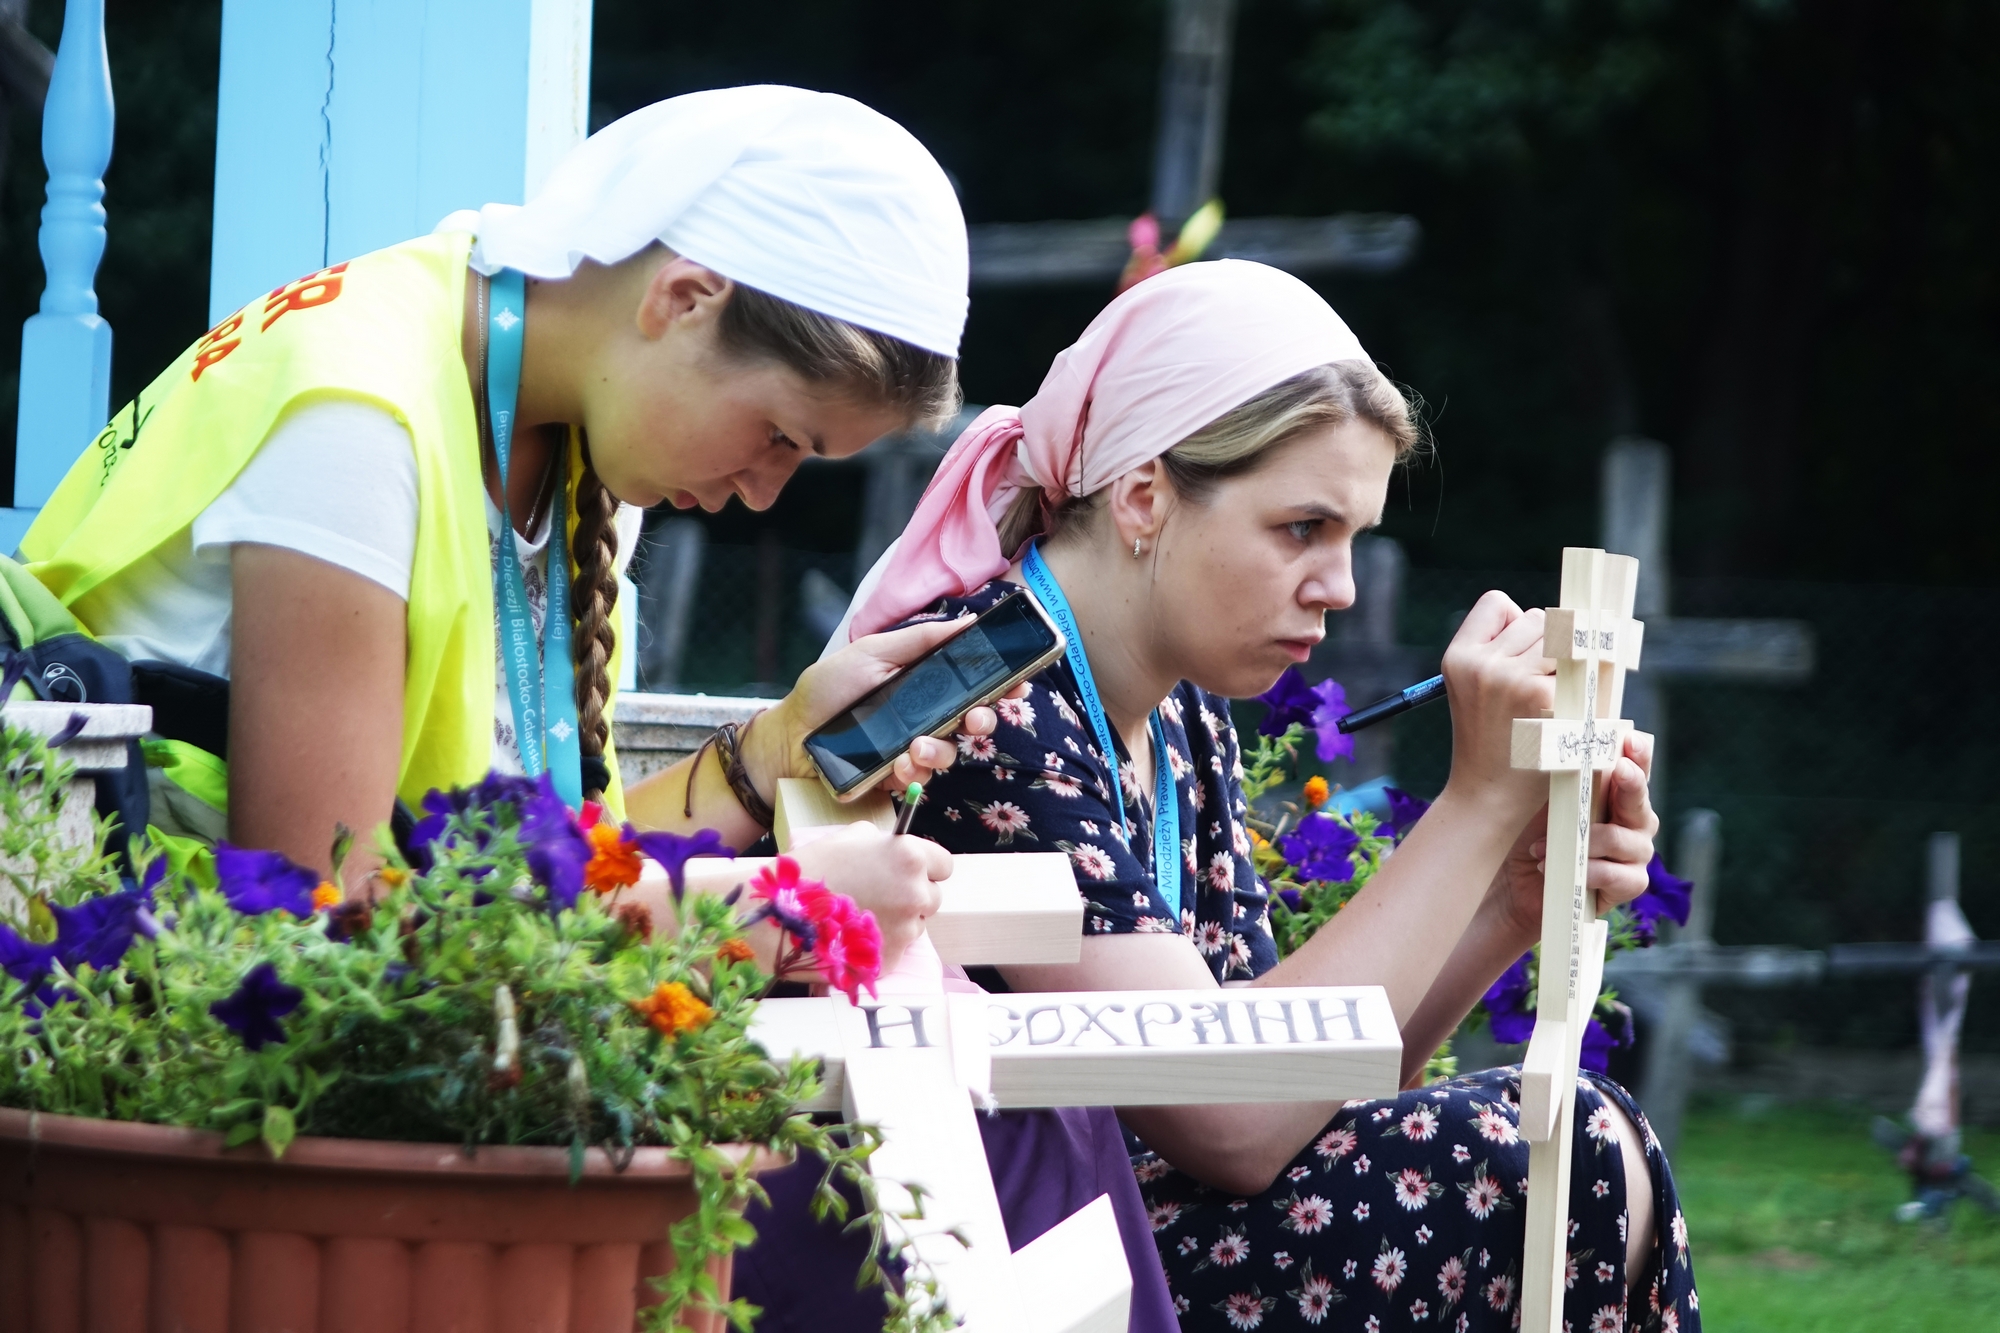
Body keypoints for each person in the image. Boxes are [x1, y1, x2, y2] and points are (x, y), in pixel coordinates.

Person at [844, 260, 1700, 1332]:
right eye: (1302, 528)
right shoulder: (988, 698)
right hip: (1029, 1273)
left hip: (1127, 1247)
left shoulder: (1174, 714)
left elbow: (1314, 1082)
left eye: (1351, 540)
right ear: (1144, 495)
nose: (1335, 587)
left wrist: (1504, 901)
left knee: (1573, 1142)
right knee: (1564, 1150)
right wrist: (1472, 806)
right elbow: (1235, 1120)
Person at [14, 85, 988, 972]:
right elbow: (321, 927)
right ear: (682, 300)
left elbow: (539, 878)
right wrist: (758, 908)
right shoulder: (354, 428)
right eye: (777, 434)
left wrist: (776, 748)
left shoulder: (568, 422)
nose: (765, 490)